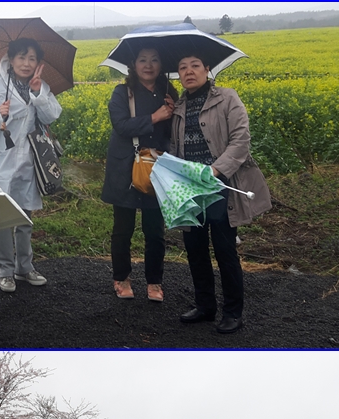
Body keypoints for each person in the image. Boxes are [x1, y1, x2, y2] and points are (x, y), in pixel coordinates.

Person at [170, 54, 271, 334]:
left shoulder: (227, 98)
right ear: (178, 74)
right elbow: (175, 147)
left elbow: (241, 141)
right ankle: (205, 306)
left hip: (220, 185)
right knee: (195, 249)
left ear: (206, 70)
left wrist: (215, 171)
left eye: (194, 66)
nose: (189, 72)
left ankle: (233, 312)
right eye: (182, 67)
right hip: (191, 188)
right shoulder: (178, 105)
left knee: (225, 249)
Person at [0, 38, 62, 293]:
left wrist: (37, 93)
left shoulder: (40, 85)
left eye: (32, 58)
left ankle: (25, 267)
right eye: (22, 57)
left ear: (38, 63)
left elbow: (52, 115)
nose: (26, 63)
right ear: (11, 59)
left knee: (25, 216)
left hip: (29, 161)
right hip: (3, 159)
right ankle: (5, 270)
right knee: (3, 217)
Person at [101, 47, 177, 302]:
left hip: (157, 168)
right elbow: (120, 125)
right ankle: (121, 278)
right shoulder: (123, 92)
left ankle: (154, 282)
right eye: (143, 60)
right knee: (123, 228)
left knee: (155, 230)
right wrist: (155, 117)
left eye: (155, 59)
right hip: (126, 168)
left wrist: (174, 112)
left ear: (161, 64)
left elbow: (174, 132)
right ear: (133, 64)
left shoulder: (170, 94)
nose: (149, 65)